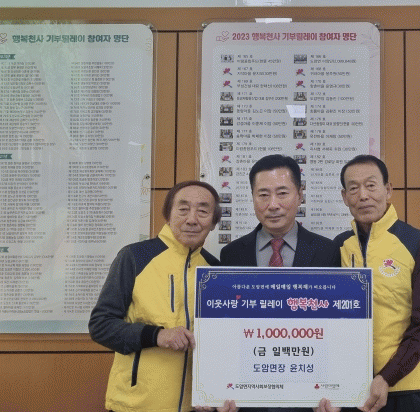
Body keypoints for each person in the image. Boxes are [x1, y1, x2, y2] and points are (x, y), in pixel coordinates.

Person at [89, 180, 235, 412]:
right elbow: (101, 325)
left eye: (203, 211)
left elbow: (223, 342)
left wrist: (216, 392)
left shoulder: (215, 270)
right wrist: (157, 335)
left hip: (194, 407)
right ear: (168, 215)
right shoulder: (135, 257)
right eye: (183, 209)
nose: (192, 219)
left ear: (214, 222)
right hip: (135, 406)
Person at [220, 154, 340, 412]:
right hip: (248, 393)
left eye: (282, 193)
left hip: (308, 392)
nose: (273, 205)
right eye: (263, 195)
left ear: (300, 195)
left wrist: (334, 390)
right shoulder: (231, 255)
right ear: (253, 198)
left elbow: (335, 328)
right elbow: (226, 328)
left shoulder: (326, 251)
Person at [334, 155, 420, 412]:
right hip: (356, 389)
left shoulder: (417, 242)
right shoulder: (340, 246)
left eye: (371, 185)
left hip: (411, 388)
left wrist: (386, 377)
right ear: (345, 197)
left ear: (388, 190)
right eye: (353, 188)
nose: (363, 195)